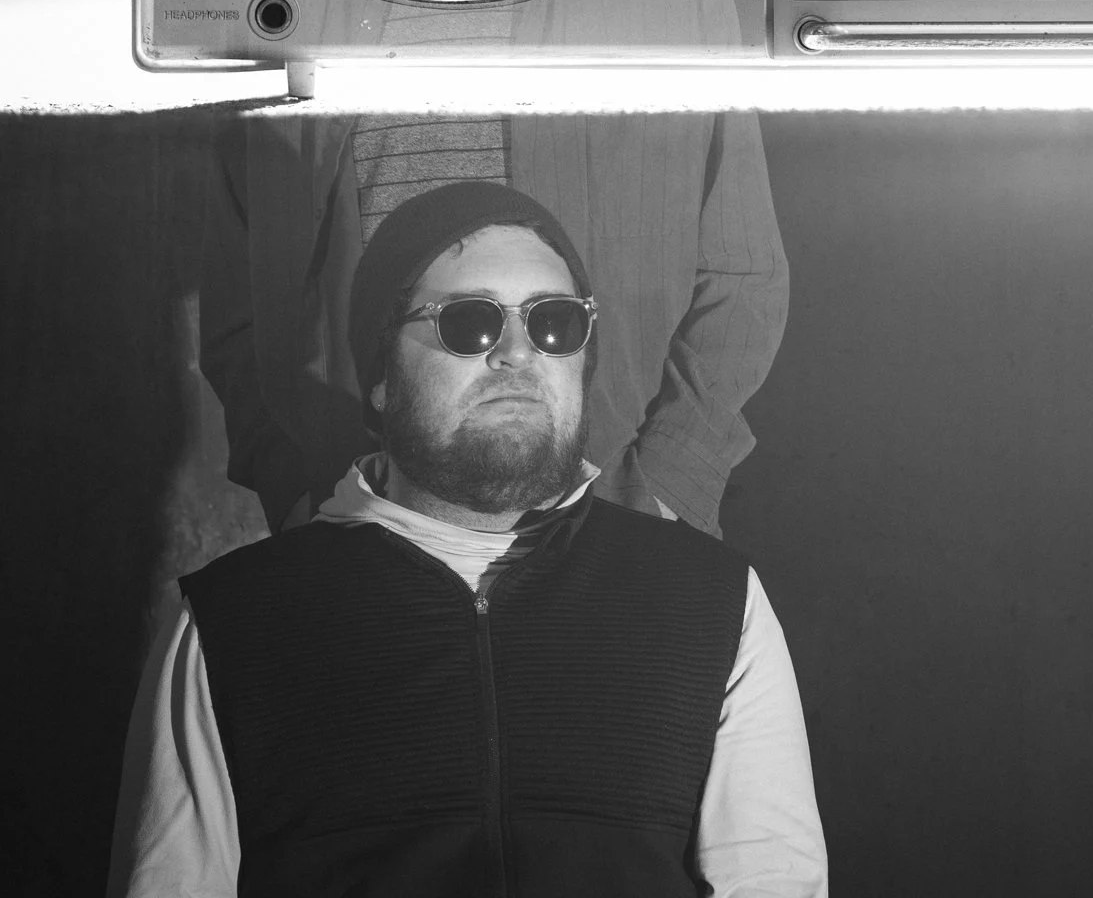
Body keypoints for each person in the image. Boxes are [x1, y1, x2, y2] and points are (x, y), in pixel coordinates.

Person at [110, 182, 827, 896]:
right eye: (470, 323)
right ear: (381, 376)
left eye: (555, 323)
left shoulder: (709, 604)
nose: (518, 354)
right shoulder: (234, 624)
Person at [203, 107, 787, 535]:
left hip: (612, 508)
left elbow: (742, 277)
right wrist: (296, 491)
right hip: (355, 517)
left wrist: (667, 488)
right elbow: (242, 300)